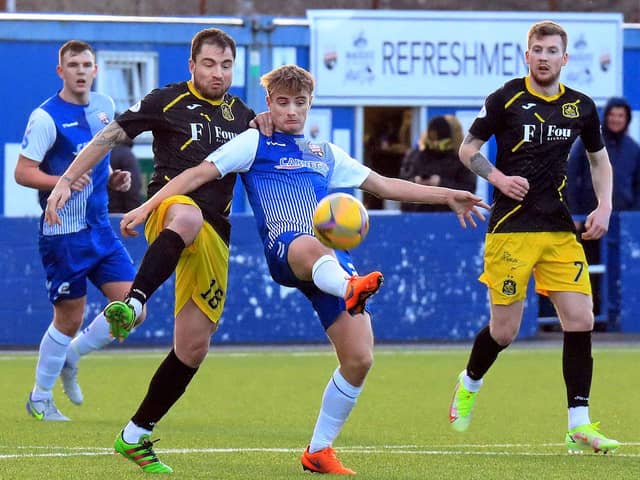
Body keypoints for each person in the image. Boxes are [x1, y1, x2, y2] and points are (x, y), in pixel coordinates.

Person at [114, 64, 489, 474]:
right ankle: (348, 286)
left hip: (329, 259)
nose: (291, 111)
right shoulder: (254, 142)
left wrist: (448, 194)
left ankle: (318, 450)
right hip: (287, 249)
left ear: (311, 105)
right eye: (282, 102)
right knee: (310, 245)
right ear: (269, 104)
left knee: (360, 358)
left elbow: (383, 185)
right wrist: (147, 206)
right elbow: (197, 173)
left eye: (300, 103)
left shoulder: (324, 153)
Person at [44, 28, 267, 474]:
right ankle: (132, 302)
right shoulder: (166, 101)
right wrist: (66, 180)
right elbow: (109, 137)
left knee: (193, 348)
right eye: (209, 64)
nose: (218, 73)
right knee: (187, 217)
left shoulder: (244, 116)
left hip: (215, 233)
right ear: (191, 65)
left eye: (226, 66)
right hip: (169, 209)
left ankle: (135, 435)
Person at [448, 20, 620, 454]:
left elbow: (600, 162)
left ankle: (578, 423)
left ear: (565, 58)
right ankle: (469, 381)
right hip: (510, 229)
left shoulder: (581, 107)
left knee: (580, 320)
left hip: (559, 229)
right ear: (527, 57)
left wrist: (605, 206)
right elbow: (468, 149)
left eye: (552, 51)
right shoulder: (505, 98)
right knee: (504, 331)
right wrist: (499, 178)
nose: (543, 57)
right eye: (537, 50)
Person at [14, 40, 144, 421]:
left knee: (133, 309)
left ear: (96, 69)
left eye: (87, 64)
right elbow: (23, 172)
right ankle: (40, 397)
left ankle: (74, 354)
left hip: (101, 228)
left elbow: (100, 162)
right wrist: (62, 181)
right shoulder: (45, 117)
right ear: (61, 72)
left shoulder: (105, 107)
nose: (82, 71)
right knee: (68, 318)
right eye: (73, 65)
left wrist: (115, 180)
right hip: (63, 234)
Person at [567, 97, 640, 321]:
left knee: (618, 272)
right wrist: (573, 213)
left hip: (621, 223)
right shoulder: (588, 142)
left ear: (627, 119)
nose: (616, 119)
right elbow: (570, 178)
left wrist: (633, 217)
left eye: (621, 116)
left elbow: (638, 185)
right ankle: (587, 316)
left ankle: (612, 318)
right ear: (605, 116)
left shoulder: (633, 148)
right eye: (612, 115)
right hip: (589, 218)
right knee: (586, 269)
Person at [399, 114, 476, 212]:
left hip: (449, 216)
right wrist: (415, 181)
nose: (435, 145)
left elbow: (469, 189)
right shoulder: (415, 156)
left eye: (440, 143)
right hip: (416, 214)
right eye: (432, 141)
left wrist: (441, 183)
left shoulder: (460, 159)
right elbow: (401, 183)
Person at [108, 136, 143, 213]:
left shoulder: (100, 153)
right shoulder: (126, 154)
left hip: (100, 213)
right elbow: (133, 188)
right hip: (118, 215)